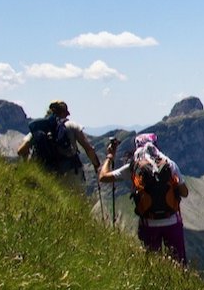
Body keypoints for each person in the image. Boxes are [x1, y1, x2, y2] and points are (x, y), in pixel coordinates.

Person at [100, 132, 190, 264]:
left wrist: (110, 156)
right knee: (179, 263)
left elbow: (103, 177)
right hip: (172, 221)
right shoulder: (170, 164)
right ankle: (182, 283)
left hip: (149, 223)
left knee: (153, 263)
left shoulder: (133, 167)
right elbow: (185, 193)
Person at [17, 99, 101, 186]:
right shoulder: (71, 125)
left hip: (48, 175)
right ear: (64, 112)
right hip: (72, 173)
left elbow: (20, 150)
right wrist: (96, 164)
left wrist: (28, 164)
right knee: (73, 199)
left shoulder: (40, 129)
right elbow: (88, 149)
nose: (68, 114)